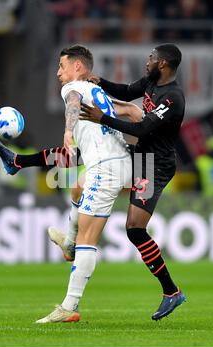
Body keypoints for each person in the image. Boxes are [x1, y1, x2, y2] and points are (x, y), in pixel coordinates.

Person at [0, 45, 137, 323]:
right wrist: (133, 111)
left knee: (88, 239)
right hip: (113, 163)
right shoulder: (98, 92)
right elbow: (127, 110)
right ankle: (69, 244)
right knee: (77, 185)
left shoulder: (75, 88)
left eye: (62, 66)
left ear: (77, 67)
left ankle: (69, 306)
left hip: (107, 168)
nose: (58, 73)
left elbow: (71, 101)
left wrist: (68, 130)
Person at [79, 43, 186, 321]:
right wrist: (99, 81)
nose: (147, 62)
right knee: (85, 158)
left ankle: (171, 291)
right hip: (140, 156)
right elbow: (127, 91)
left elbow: (142, 128)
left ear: (163, 64)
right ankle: (20, 163)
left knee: (135, 229)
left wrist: (103, 118)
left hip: (154, 165)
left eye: (151, 58)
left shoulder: (173, 97)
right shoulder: (150, 83)